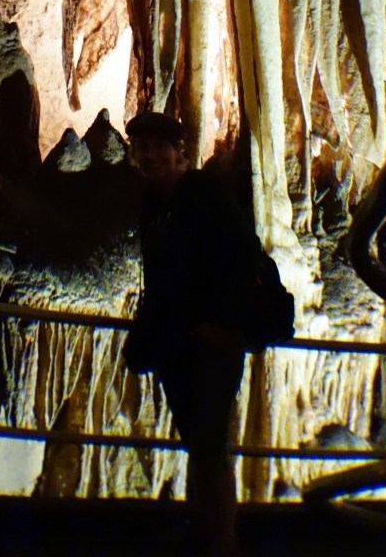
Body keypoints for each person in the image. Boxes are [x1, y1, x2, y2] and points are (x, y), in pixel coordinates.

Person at [122, 111, 259, 556]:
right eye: (143, 148)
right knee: (195, 436)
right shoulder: (151, 201)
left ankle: (223, 540)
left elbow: (244, 255)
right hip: (176, 338)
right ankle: (205, 528)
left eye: (159, 147)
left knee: (209, 439)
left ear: (179, 150)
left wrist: (223, 321)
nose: (150, 156)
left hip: (212, 340)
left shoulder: (203, 192)